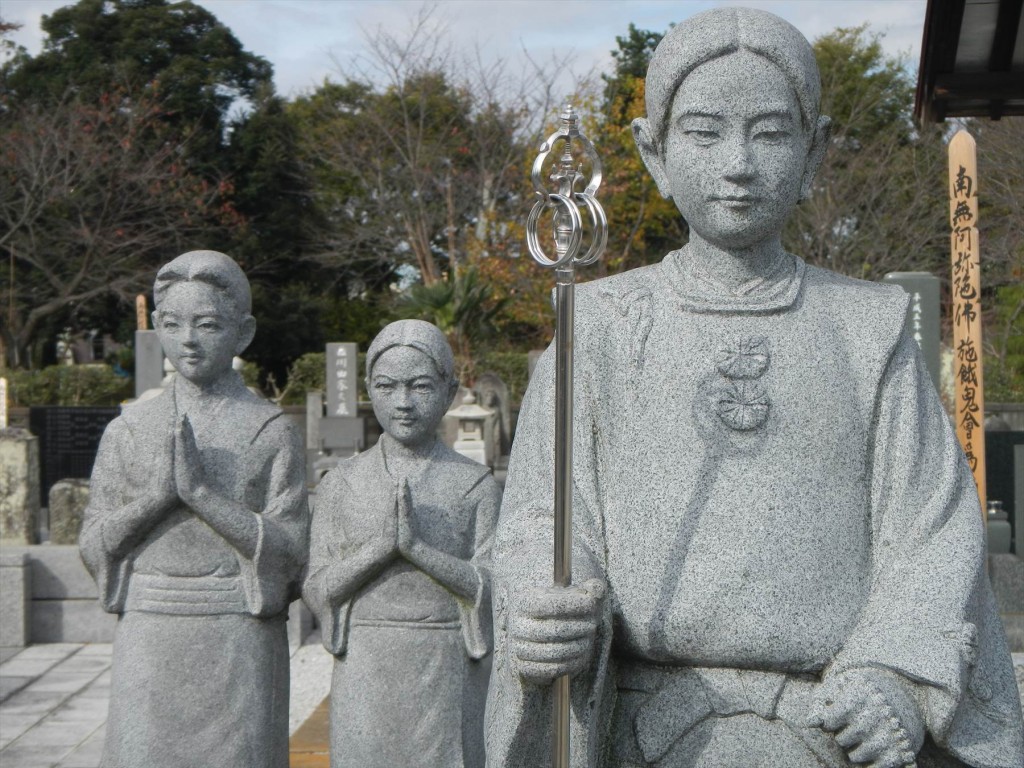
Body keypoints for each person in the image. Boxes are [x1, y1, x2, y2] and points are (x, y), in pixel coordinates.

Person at [485, 8, 1024, 768]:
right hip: (640, 724)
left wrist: (895, 676)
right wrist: (543, 602)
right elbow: (543, 514)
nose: (737, 162)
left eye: (770, 133)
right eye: (704, 133)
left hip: (829, 721)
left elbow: (931, 530)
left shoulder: (867, 329)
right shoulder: (598, 324)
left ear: (814, 153)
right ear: (655, 152)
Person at [80, 250, 308, 768]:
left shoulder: (270, 431)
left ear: (242, 332)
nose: (189, 339)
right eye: (174, 324)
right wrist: (157, 499)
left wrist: (204, 498)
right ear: (157, 327)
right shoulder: (129, 430)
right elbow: (94, 543)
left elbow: (292, 549)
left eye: (207, 324)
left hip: (237, 627)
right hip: (150, 626)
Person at [303, 320, 501, 768]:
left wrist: (418, 551)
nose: (403, 403)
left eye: (421, 386)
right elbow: (316, 590)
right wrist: (381, 549)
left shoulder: (475, 486)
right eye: (387, 386)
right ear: (370, 390)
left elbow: (494, 588)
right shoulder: (342, 484)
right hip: (366, 661)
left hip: (445, 663)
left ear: (449, 392)